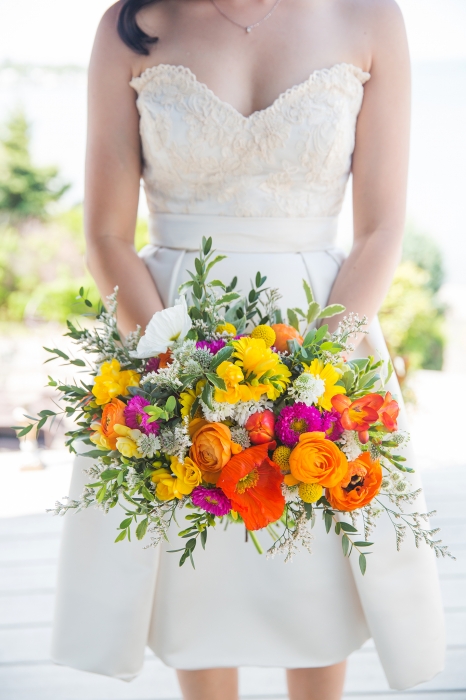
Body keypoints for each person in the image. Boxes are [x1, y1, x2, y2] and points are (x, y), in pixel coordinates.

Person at [51, 1, 445, 699]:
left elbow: (382, 229)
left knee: (319, 576)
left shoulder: (369, 17)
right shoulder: (130, 25)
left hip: (326, 332)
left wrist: (312, 371)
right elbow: (106, 236)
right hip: (166, 334)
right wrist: (174, 372)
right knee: (196, 579)